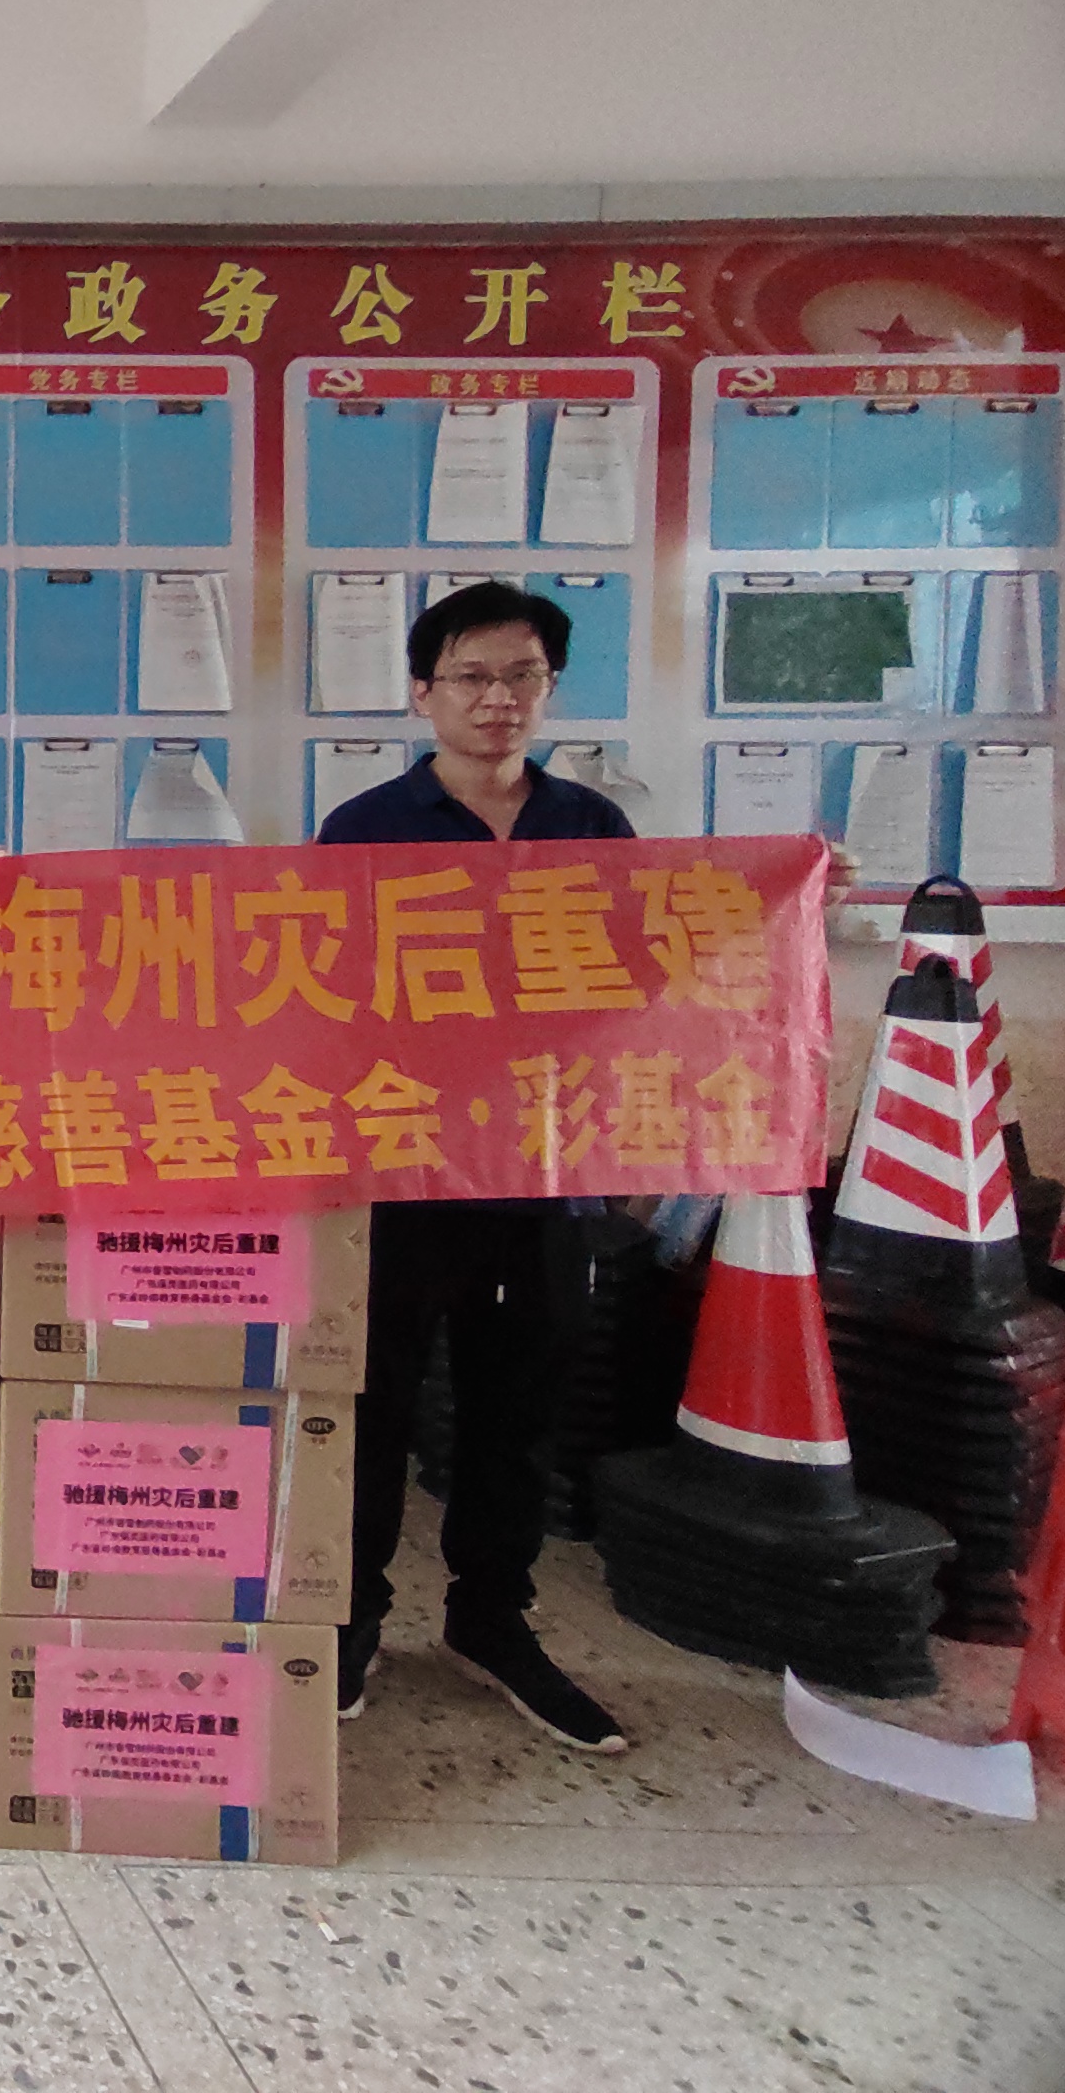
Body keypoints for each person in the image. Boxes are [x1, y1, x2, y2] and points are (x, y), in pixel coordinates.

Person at [313, 582, 635, 1755]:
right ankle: (349, 1622)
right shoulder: (364, 830)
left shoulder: (595, 828)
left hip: (545, 1169)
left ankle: (492, 1621)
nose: (498, 699)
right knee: (374, 1405)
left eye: (522, 676)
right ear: (423, 692)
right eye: (471, 677)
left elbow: (652, 973)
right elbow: (316, 995)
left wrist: (797, 892)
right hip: (402, 1169)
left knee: (518, 1410)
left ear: (550, 689)